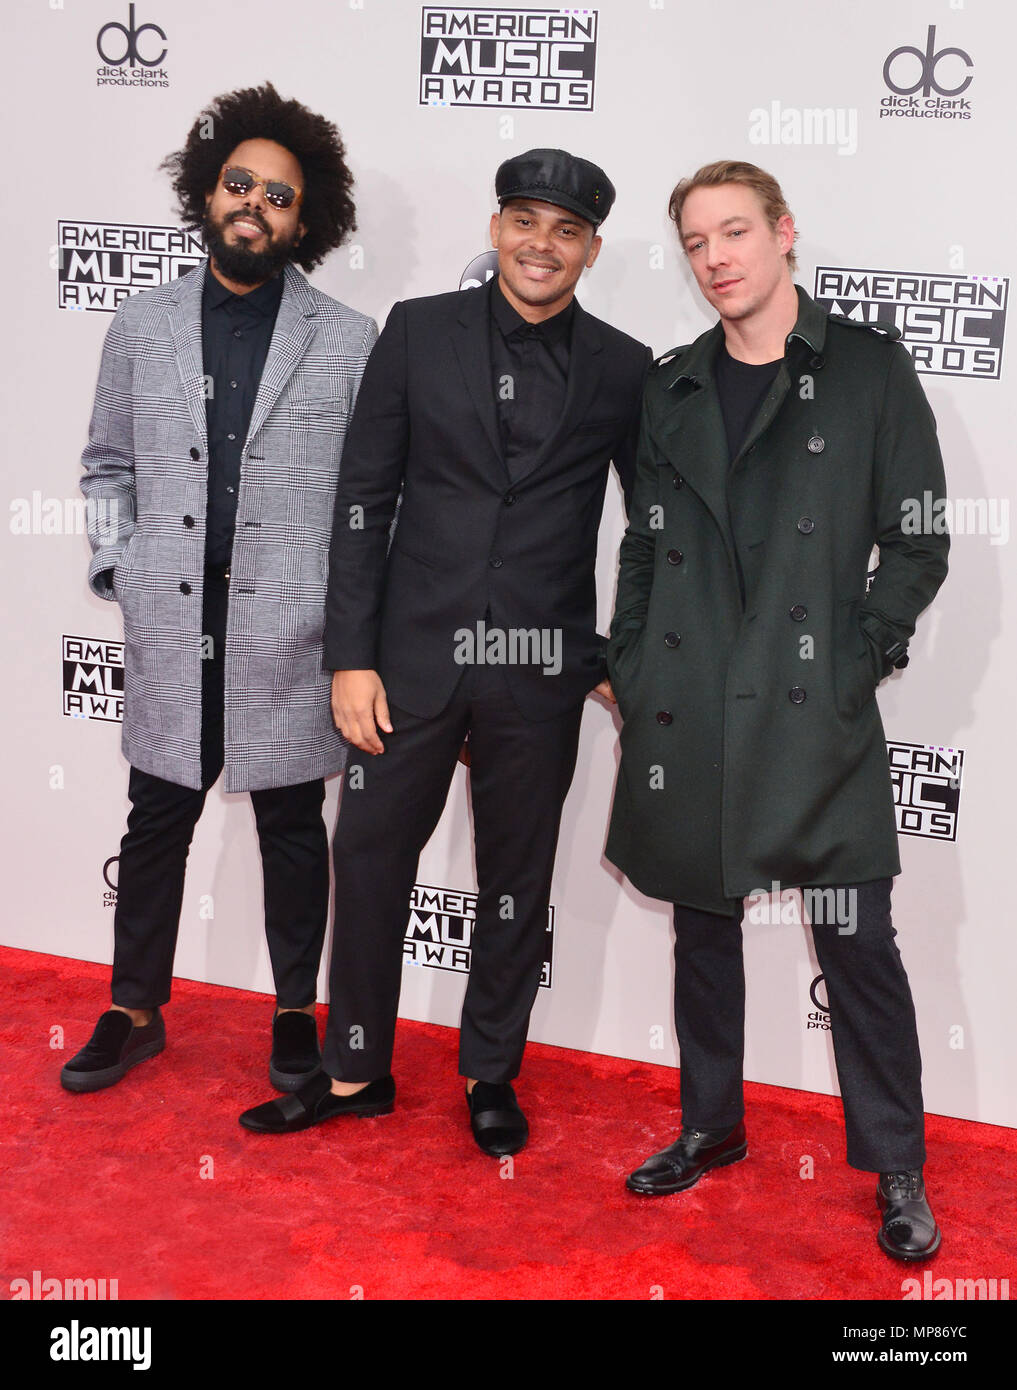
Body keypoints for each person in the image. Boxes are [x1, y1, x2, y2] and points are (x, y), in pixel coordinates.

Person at [239, 148, 650, 1155]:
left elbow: (654, 527)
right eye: (524, 221)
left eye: (565, 230)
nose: (540, 244)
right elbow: (362, 499)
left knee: (518, 873)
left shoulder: (628, 368)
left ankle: (490, 1072)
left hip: (537, 676)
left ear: (591, 250)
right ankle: (355, 1067)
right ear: (497, 226)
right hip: (406, 661)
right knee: (370, 861)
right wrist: (350, 656)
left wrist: (611, 657)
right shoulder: (418, 332)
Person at [604, 161, 948, 1261]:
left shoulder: (868, 371)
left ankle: (896, 1166)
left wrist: (860, 658)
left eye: (736, 232)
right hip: (690, 696)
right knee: (704, 928)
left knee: (858, 944)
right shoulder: (674, 386)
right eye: (698, 241)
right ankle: (711, 1124)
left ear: (785, 233)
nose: (718, 259)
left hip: (816, 704)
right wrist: (631, 662)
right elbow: (647, 540)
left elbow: (921, 533)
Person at [64, 83, 377, 1097]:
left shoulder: (346, 339)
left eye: (279, 196)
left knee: (291, 827)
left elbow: (370, 498)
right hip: (173, 626)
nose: (255, 204)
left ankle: (295, 1012)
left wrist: (342, 622)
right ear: (205, 192)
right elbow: (109, 464)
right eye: (238, 184)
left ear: (306, 217)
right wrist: (125, 571)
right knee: (156, 817)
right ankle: (132, 1006)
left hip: (286, 634)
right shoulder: (142, 326)